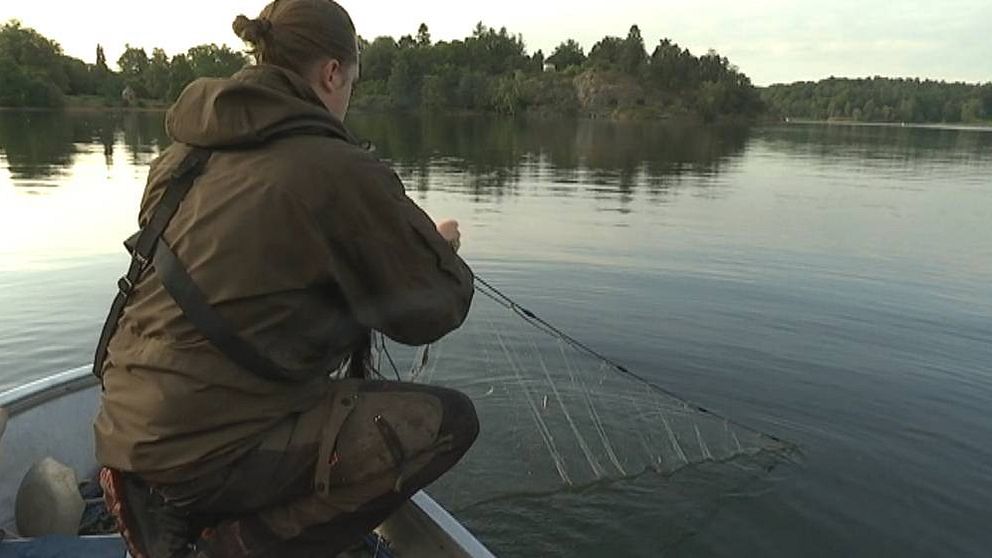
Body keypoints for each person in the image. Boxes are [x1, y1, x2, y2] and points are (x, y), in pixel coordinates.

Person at [92, 1, 478, 556]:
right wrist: (437, 252)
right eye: (353, 82)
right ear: (331, 73)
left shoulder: (180, 157)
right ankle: (224, 547)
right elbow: (434, 310)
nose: (349, 98)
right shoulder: (335, 168)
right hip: (197, 457)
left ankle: (176, 512)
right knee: (446, 423)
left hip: (124, 433)